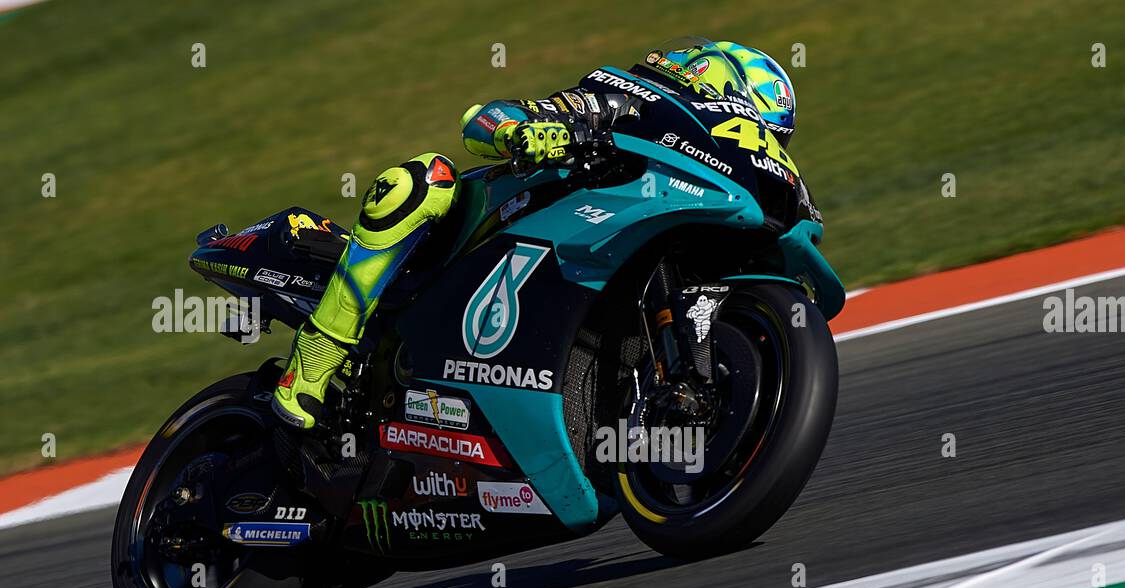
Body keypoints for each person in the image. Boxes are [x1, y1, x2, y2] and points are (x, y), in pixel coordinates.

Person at [273, 38, 797, 430]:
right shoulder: (625, 100)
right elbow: (484, 118)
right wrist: (523, 131)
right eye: (749, 125)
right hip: (480, 229)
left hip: (584, 263)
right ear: (717, 84)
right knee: (420, 179)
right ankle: (314, 362)